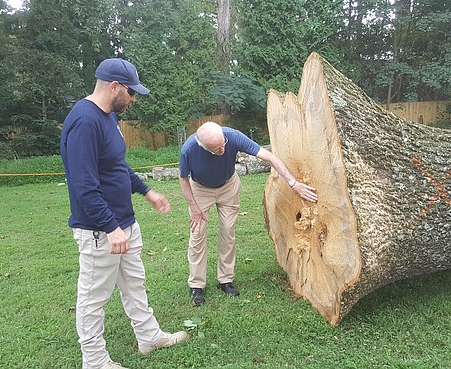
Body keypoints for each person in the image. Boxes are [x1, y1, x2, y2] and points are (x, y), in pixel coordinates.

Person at [60, 58, 189, 369]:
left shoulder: (109, 118)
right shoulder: (85, 122)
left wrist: (147, 192)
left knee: (134, 284)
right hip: (99, 230)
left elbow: (117, 166)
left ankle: (149, 337)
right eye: (132, 93)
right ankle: (94, 362)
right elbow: (84, 185)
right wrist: (110, 227)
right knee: (93, 298)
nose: (134, 100)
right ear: (114, 87)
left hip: (124, 223)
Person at [179, 122, 318, 306]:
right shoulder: (189, 149)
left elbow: (269, 157)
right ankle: (196, 285)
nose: (222, 149)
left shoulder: (233, 136)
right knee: (197, 234)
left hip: (228, 185)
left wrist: (294, 184)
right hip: (200, 190)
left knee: (228, 231)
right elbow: (183, 179)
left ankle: (225, 280)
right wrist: (194, 208)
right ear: (203, 146)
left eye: (223, 144)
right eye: (216, 149)